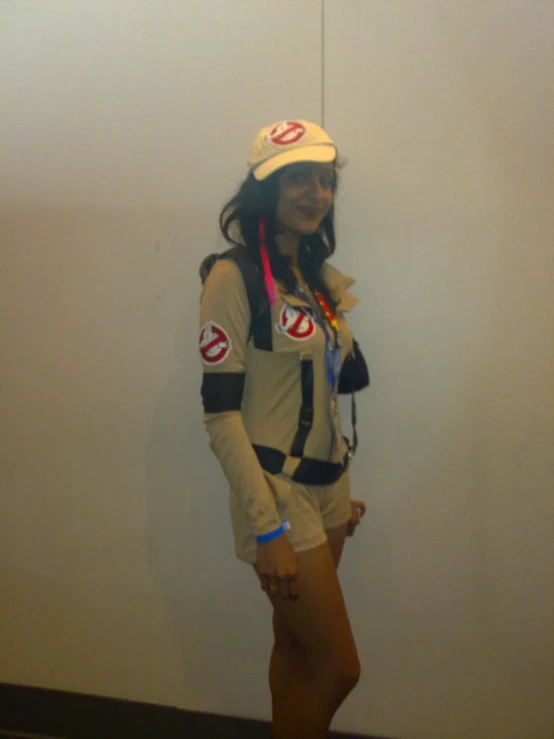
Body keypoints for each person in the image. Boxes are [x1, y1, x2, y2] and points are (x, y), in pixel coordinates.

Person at [198, 119, 366, 738]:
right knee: (338, 668)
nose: (316, 193)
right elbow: (221, 417)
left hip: (329, 492)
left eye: (325, 181)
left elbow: (319, 391)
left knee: (295, 651)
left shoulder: (315, 281)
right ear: (264, 187)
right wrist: (267, 526)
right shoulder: (231, 276)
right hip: (279, 496)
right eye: (298, 178)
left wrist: (341, 488)